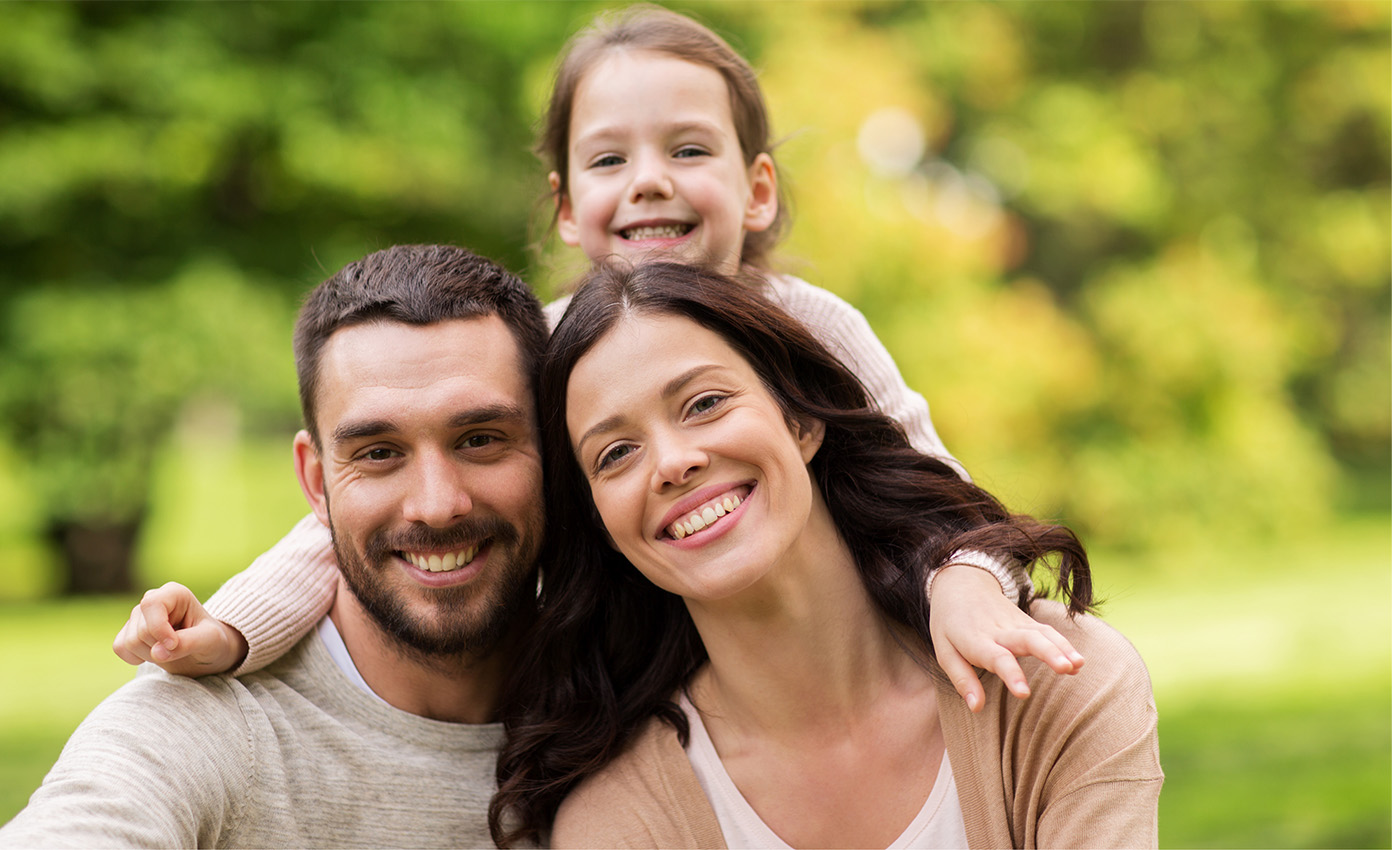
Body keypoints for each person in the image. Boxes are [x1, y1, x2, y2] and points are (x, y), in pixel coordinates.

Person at [114, 4, 1080, 711]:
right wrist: (236, 627)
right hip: (642, 686)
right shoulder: (544, 349)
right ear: (569, 205)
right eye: (611, 160)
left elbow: (935, 493)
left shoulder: (811, 326)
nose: (650, 181)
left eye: (689, 150)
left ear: (757, 188)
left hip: (835, 675)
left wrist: (968, 582)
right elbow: (360, 509)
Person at [491, 261, 1163, 849]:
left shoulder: (1050, 685)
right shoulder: (621, 820)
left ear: (801, 420)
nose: (672, 462)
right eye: (615, 454)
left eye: (704, 403)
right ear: (603, 526)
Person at [0, 245, 549, 848]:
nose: (437, 504)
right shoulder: (208, 730)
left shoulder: (634, 693)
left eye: (480, 439)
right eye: (379, 453)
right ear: (316, 482)